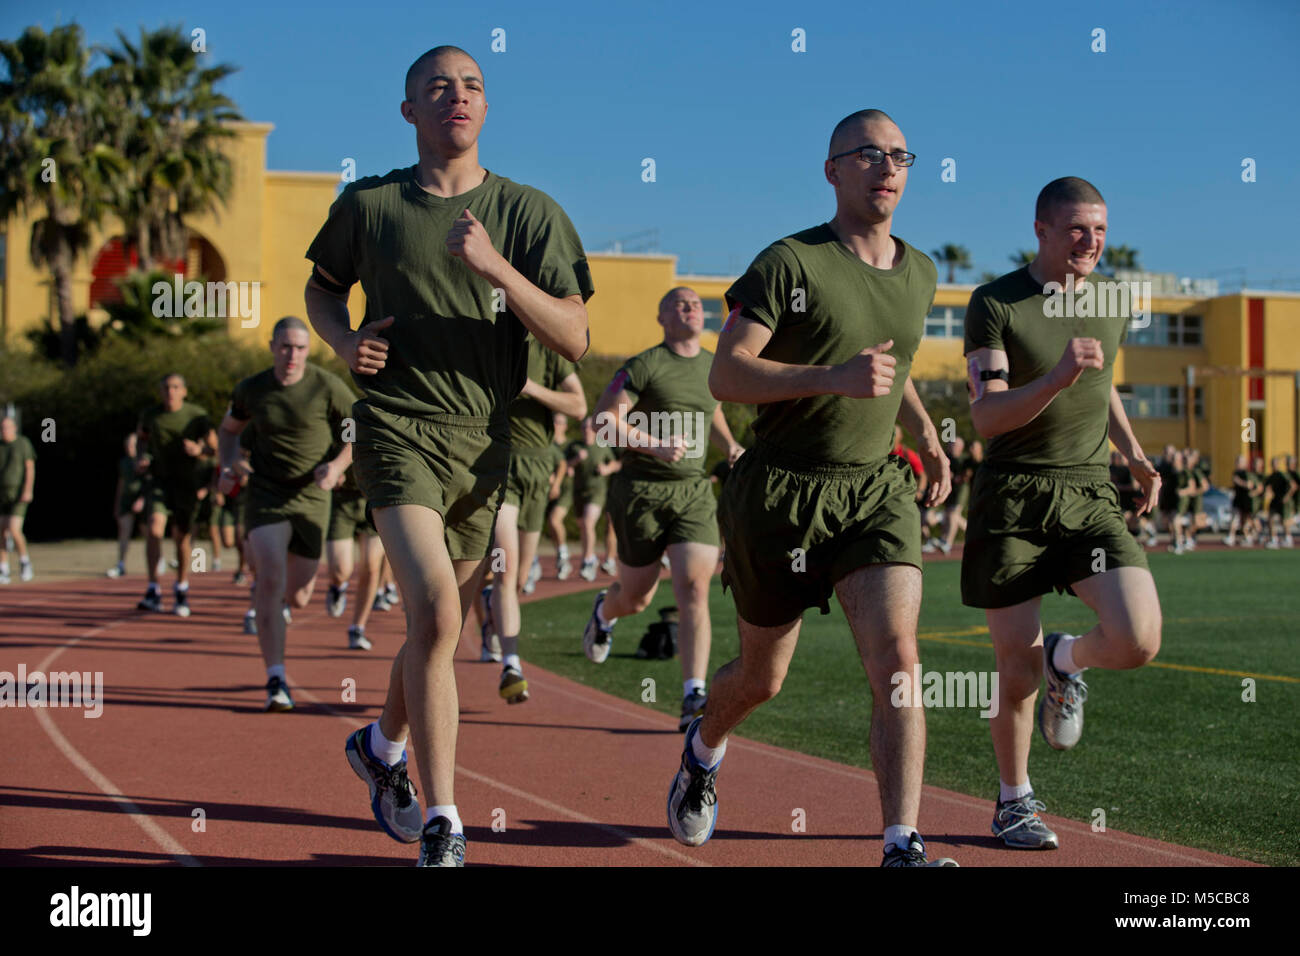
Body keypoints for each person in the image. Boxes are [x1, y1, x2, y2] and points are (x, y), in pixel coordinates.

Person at [304, 44, 592, 866]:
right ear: (410, 112)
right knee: (431, 609)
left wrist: (494, 265)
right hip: (396, 427)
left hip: (486, 441)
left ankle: (379, 746)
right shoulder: (370, 203)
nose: (456, 97)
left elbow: (573, 337)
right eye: (438, 87)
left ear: (486, 109)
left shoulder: (531, 213)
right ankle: (445, 820)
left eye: (472, 85)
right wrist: (343, 339)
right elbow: (323, 287)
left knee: (447, 626)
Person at [665, 110, 955, 867]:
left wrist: (922, 429)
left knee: (897, 656)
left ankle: (901, 842)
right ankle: (703, 749)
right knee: (762, 678)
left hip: (874, 491)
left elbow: (895, 365)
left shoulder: (921, 272)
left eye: (900, 156)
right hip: (780, 494)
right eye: (868, 154)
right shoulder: (788, 263)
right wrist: (834, 378)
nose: (887, 168)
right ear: (833, 171)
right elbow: (727, 375)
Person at [962, 176, 1163, 851]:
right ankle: (1014, 802)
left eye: (1100, 229)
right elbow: (987, 416)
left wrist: (1132, 453)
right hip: (1013, 499)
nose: (1092, 241)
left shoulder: (1111, 299)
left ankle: (1068, 660)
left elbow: (1102, 387)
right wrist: (1054, 380)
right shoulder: (995, 302)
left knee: (1138, 638)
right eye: (1078, 228)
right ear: (1042, 229)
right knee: (1014, 670)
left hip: (1088, 494)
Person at [581, 286, 744, 732]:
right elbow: (602, 422)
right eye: (679, 302)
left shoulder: (715, 365)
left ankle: (693, 694)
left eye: (695, 303)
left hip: (692, 491)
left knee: (693, 587)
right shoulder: (644, 365)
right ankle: (605, 612)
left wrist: (730, 446)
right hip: (641, 492)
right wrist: (654, 446)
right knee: (637, 596)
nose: (690, 307)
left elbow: (709, 412)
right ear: (661, 317)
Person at [217, 316, 356, 710]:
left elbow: (358, 428)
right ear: (272, 346)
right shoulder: (252, 389)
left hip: (313, 495)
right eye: (284, 346)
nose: (291, 355)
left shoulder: (327, 386)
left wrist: (338, 466)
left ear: (308, 350)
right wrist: (229, 467)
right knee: (270, 575)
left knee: (298, 595)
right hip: (265, 492)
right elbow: (228, 431)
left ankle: (277, 605)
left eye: (299, 347)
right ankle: (276, 678)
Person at [485, 336, 586, 699]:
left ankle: (491, 610)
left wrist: (529, 387)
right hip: (500, 463)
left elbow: (578, 405)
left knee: (519, 578)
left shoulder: (548, 350)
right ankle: (511, 664)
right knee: (506, 569)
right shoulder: (488, 341)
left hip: (538, 468)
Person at [135, 375, 216, 615]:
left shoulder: (196, 415)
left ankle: (181, 588)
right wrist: (141, 458)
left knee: (181, 538)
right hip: (159, 481)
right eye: (166, 388)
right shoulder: (150, 415)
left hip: (187, 484)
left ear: (184, 391)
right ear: (160, 391)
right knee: (154, 528)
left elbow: (216, 449)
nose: (170, 391)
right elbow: (142, 440)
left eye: (175, 387)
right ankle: (153, 589)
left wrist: (199, 450)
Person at [325, 463, 386, 650]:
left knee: (371, 566)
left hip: (375, 497)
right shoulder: (343, 432)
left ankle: (357, 628)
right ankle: (337, 586)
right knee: (340, 571)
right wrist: (333, 469)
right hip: (341, 500)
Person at [571, 416, 620, 579]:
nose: (586, 430)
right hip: (579, 492)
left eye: (590, 427)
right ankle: (590, 558)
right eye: (584, 427)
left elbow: (616, 464)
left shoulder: (602, 446)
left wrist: (607, 468)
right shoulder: (575, 446)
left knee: (588, 522)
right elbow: (563, 463)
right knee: (583, 526)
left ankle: (588, 559)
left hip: (597, 491)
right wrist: (575, 461)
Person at [0, 413, 36, 584]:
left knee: (14, 529)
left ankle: (24, 562)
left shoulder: (23, 444)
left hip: (18, 494)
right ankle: (3, 568)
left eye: (7, 427)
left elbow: (29, 468)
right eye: (2, 428)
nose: (4, 431)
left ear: (14, 428)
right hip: (2, 495)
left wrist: (28, 490)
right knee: (1, 530)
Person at [107, 433, 148, 578]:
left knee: (148, 532)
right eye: (128, 445)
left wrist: (142, 500)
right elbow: (121, 483)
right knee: (124, 532)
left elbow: (151, 482)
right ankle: (120, 564)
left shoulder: (145, 461)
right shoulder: (123, 462)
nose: (129, 448)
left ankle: (158, 560)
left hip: (144, 499)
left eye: (132, 445)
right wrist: (117, 505)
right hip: (126, 500)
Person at [545, 412, 575, 580]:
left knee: (555, 520)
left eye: (560, 422)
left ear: (565, 426)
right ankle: (559, 554)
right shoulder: (546, 443)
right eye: (554, 421)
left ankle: (563, 555)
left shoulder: (571, 446)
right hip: (545, 491)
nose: (556, 425)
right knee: (550, 526)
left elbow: (574, 463)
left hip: (565, 491)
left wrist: (557, 477)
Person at [1263, 456, 1296, 548]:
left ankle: (1288, 539)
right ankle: (1274, 539)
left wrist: (1286, 497)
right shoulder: (1271, 476)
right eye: (1272, 464)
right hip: (1276, 499)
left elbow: (1293, 486)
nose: (1274, 466)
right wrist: (1267, 493)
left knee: (1284, 521)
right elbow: (1266, 487)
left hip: (1284, 501)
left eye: (1275, 464)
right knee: (1270, 518)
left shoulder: (1283, 475)